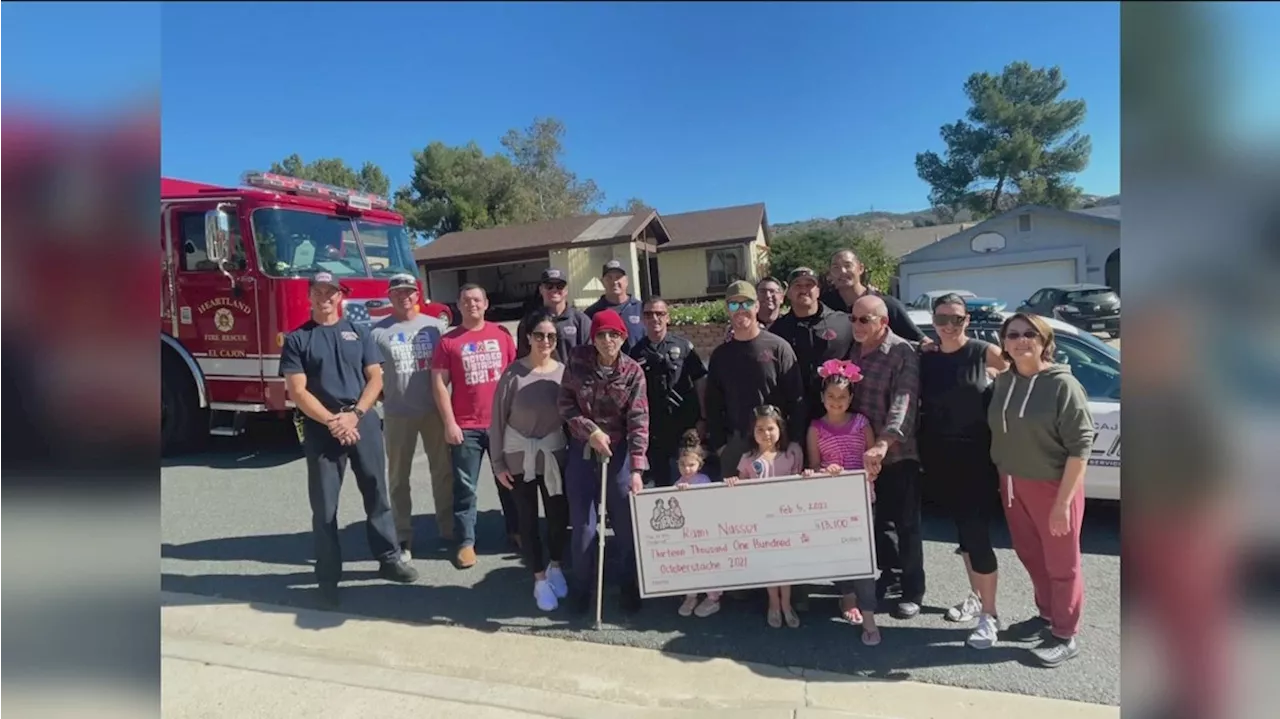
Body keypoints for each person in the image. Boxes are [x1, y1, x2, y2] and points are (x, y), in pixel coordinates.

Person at [279, 272, 418, 607]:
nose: (325, 297)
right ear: (309, 296)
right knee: (325, 506)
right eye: (319, 292)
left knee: (377, 492)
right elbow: (298, 391)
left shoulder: (360, 332)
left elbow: (375, 378)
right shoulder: (298, 340)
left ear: (340, 297)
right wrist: (333, 421)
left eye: (331, 292)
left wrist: (354, 415)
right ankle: (327, 577)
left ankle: (388, 559)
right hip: (322, 426)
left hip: (362, 421)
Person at [988, 312, 1094, 668]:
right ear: (1003, 342)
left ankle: (1066, 634)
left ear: (1044, 341)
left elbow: (1081, 446)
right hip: (1013, 484)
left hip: (1053, 486)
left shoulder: (1062, 385)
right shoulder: (1004, 381)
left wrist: (1063, 503)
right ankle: (1047, 615)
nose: (1020, 340)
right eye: (1012, 334)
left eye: (1029, 334)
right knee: (1031, 556)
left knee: (1062, 564)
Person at [917, 293, 1010, 649]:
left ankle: (990, 615)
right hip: (940, 457)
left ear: (966, 320)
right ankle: (976, 597)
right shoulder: (928, 358)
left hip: (978, 459)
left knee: (977, 535)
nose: (948, 325)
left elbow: (1021, 384)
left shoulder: (985, 352)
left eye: (956, 318)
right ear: (933, 320)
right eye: (942, 318)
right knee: (963, 537)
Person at [557, 309, 650, 615]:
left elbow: (639, 419)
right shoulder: (577, 361)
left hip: (619, 452)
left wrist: (637, 468)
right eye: (601, 334)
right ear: (592, 338)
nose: (608, 340)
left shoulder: (633, 371)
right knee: (583, 526)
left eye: (614, 334)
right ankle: (583, 588)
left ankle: (629, 584)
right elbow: (566, 405)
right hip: (584, 450)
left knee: (624, 524)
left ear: (624, 337)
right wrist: (590, 430)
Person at [430, 284, 519, 570]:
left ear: (486, 303)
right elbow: (439, 385)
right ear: (458, 304)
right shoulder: (448, 341)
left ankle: (516, 532)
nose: (472, 304)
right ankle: (466, 542)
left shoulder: (502, 335)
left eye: (477, 300)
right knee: (466, 488)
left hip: (501, 425)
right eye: (466, 300)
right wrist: (449, 423)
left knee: (509, 483)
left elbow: (514, 377)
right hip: (465, 427)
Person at [847, 294, 925, 620]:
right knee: (879, 525)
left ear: (884, 322)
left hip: (896, 454)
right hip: (862, 456)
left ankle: (913, 590)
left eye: (864, 320)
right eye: (853, 318)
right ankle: (889, 579)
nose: (857, 325)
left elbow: (903, 403)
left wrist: (883, 443)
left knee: (906, 525)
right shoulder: (853, 352)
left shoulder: (901, 352)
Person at [490, 309, 570, 612]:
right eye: (539, 335)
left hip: (552, 454)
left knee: (557, 516)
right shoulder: (513, 374)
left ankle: (556, 566)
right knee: (527, 520)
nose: (545, 341)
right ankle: (538, 579)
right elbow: (496, 422)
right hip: (518, 456)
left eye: (551, 336)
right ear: (528, 338)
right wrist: (497, 464)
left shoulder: (564, 372)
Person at [371, 273, 452, 560]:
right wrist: (386, 397)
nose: (404, 296)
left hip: (433, 411)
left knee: (443, 473)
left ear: (417, 295)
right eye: (397, 293)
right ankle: (403, 536)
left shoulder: (435, 327)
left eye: (409, 292)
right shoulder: (378, 332)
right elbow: (372, 375)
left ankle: (448, 529)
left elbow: (448, 367)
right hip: (397, 414)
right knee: (397, 477)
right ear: (390, 297)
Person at [805, 359, 881, 646]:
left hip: (861, 498)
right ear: (823, 398)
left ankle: (869, 612)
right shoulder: (815, 428)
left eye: (842, 397)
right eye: (831, 397)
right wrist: (824, 474)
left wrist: (864, 473)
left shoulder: (862, 423)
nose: (836, 402)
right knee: (839, 554)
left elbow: (871, 461)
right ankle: (846, 596)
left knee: (863, 555)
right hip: (831, 500)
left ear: (851, 398)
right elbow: (813, 465)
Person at [704, 281, 806, 479]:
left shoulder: (778, 348)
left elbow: (797, 398)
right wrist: (721, 447)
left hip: (777, 446)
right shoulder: (721, 355)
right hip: (737, 445)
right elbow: (713, 405)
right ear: (727, 310)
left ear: (757, 306)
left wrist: (795, 441)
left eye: (746, 304)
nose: (740, 310)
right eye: (734, 305)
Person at [723, 405, 807, 629]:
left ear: (780, 428)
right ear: (752, 432)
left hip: (785, 520)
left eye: (770, 428)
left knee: (785, 565)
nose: (765, 433)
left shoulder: (790, 455)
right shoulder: (748, 458)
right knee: (770, 565)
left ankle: (787, 604)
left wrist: (806, 476)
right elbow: (741, 483)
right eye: (759, 429)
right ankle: (773, 603)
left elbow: (799, 484)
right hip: (761, 522)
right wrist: (734, 482)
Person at [629, 296, 708, 488]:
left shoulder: (684, 347)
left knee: (690, 477)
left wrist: (704, 418)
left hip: (684, 425)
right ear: (642, 318)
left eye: (659, 313)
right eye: (648, 314)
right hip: (654, 430)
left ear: (668, 318)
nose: (654, 318)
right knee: (662, 482)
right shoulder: (636, 352)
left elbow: (700, 381)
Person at [769, 267, 855, 422]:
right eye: (797, 286)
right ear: (788, 293)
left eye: (809, 285)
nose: (804, 290)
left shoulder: (844, 323)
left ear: (818, 290)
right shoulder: (777, 331)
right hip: (794, 417)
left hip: (836, 414)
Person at [820, 249, 927, 345]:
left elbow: (920, 340)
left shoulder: (886, 305)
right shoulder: (825, 305)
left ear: (860, 268)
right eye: (836, 267)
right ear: (830, 273)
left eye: (848, 265)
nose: (842, 271)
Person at [671, 429, 719, 618]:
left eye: (691, 464)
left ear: (699, 464)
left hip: (704, 532)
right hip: (686, 533)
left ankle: (713, 597)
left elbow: (707, 503)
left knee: (706, 564)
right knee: (689, 565)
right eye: (683, 465)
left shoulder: (704, 480)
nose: (687, 469)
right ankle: (690, 595)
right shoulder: (676, 483)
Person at [516, 268, 592, 363]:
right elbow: (523, 358)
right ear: (541, 289)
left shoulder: (581, 320)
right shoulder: (529, 321)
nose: (554, 290)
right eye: (549, 286)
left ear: (566, 290)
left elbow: (591, 355)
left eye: (559, 286)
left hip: (575, 376)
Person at [584, 260, 645, 351]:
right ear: (602, 282)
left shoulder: (641, 308)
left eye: (618, 277)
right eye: (609, 278)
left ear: (626, 281)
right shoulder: (592, 312)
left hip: (638, 363)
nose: (614, 282)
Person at [722, 276, 785, 343]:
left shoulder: (789, 325)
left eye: (772, 291)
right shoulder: (741, 327)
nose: (768, 295)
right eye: (762, 291)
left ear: (781, 298)